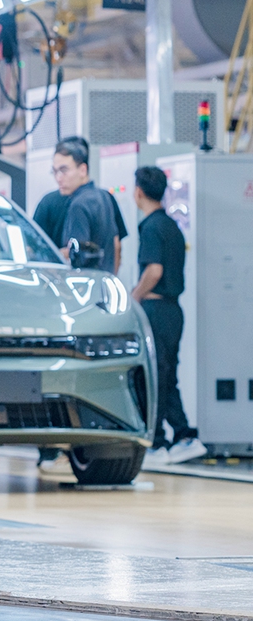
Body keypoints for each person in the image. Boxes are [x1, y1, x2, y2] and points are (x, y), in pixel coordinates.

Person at [132, 166, 205, 466]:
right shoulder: (173, 226)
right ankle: (184, 436)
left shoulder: (150, 227)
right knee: (167, 374)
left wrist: (133, 298)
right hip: (174, 311)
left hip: (156, 308)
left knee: (156, 376)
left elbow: (154, 270)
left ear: (138, 193)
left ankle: (157, 442)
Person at [32, 137, 128, 273]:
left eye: (64, 170)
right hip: (102, 284)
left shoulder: (78, 205)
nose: (58, 177)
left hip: (84, 287)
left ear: (83, 169)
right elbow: (116, 245)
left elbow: (77, 257)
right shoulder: (105, 197)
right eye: (55, 171)